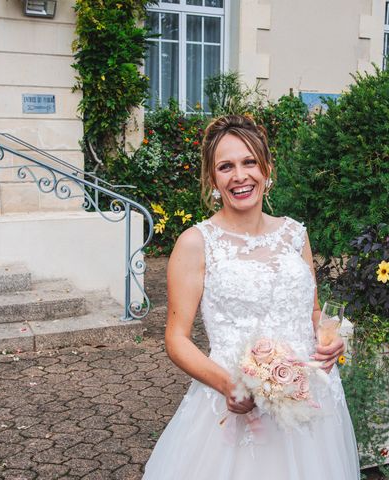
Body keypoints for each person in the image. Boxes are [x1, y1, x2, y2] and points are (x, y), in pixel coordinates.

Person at [143, 115, 360, 479]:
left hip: (309, 401)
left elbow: (312, 311)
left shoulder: (295, 234)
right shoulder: (196, 243)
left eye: (249, 162)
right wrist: (230, 385)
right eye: (226, 166)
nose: (240, 176)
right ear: (213, 179)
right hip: (237, 402)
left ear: (266, 169)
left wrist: (334, 338)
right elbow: (176, 338)